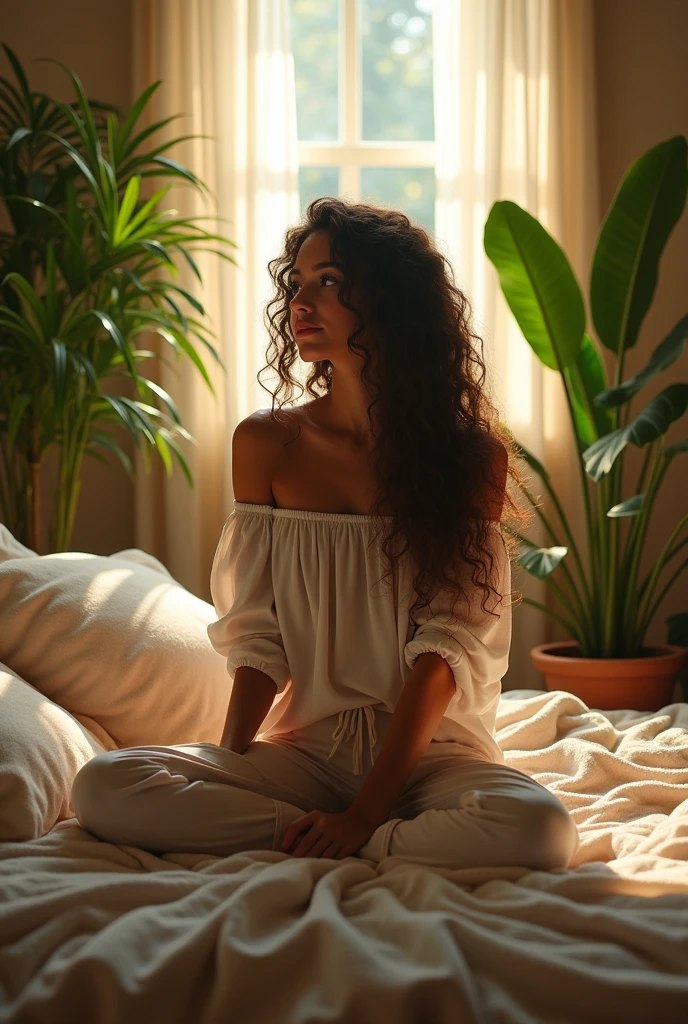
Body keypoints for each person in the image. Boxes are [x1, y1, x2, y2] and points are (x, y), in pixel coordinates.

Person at [72, 198, 578, 871]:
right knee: (103, 786)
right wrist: (227, 767)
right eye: (297, 283)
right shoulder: (268, 443)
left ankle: (349, 839)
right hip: (307, 752)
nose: (300, 302)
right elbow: (258, 637)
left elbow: (445, 652)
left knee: (540, 830)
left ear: (392, 300)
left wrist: (364, 814)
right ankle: (327, 834)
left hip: (432, 756)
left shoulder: (471, 458)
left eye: (330, 281)